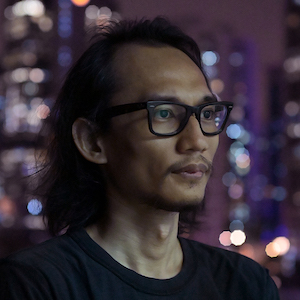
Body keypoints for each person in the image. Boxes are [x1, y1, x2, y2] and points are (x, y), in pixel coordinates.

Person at [0, 17, 279, 299]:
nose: (196, 141)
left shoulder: (246, 285)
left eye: (206, 114)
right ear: (92, 141)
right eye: (164, 113)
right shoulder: (36, 285)